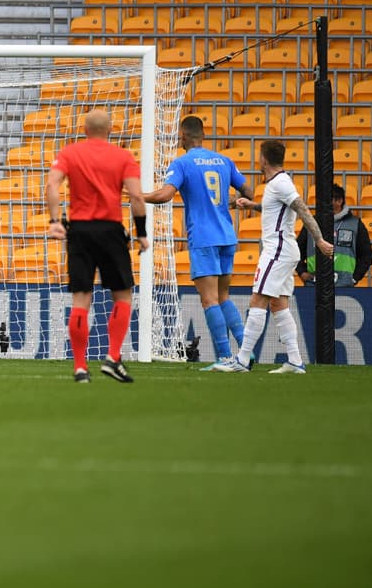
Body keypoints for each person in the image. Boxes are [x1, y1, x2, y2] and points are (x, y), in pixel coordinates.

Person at [46, 109, 149, 383]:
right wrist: (141, 233)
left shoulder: (70, 153)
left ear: (85, 129)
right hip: (110, 229)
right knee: (122, 295)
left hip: (79, 231)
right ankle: (113, 357)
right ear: (111, 129)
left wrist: (55, 221)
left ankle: (80, 367)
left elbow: (52, 184)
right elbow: (137, 197)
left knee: (81, 298)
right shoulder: (123, 156)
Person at [143, 115, 251, 371]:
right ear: (203, 134)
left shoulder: (183, 163)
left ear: (183, 135)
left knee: (209, 300)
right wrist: (229, 203)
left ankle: (225, 358)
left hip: (203, 238)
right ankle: (246, 352)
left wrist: (138, 196)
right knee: (224, 296)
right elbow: (249, 192)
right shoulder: (224, 160)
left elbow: (165, 195)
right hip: (227, 235)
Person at [226, 140, 333, 374]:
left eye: (259, 156)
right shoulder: (277, 183)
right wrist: (252, 206)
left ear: (264, 159)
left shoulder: (281, 183)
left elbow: (302, 209)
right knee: (279, 304)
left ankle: (242, 360)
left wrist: (319, 240)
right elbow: (277, 210)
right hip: (284, 250)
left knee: (258, 300)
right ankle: (295, 361)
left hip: (278, 250)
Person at [297, 183, 372, 288]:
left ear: (339, 201)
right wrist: (302, 272)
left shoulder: (355, 224)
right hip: (314, 285)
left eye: (327, 200)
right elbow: (297, 250)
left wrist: (354, 278)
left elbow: (367, 255)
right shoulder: (311, 223)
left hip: (345, 286)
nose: (322, 203)